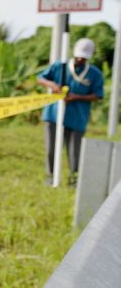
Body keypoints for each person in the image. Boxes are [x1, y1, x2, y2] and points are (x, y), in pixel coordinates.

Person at [36, 38, 104, 186]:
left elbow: (98, 95)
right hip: (54, 114)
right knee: (51, 148)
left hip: (77, 117)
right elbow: (40, 78)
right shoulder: (60, 66)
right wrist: (52, 85)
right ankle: (51, 178)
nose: (80, 59)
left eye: (84, 57)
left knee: (75, 151)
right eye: (79, 55)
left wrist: (77, 97)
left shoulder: (94, 73)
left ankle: (74, 179)